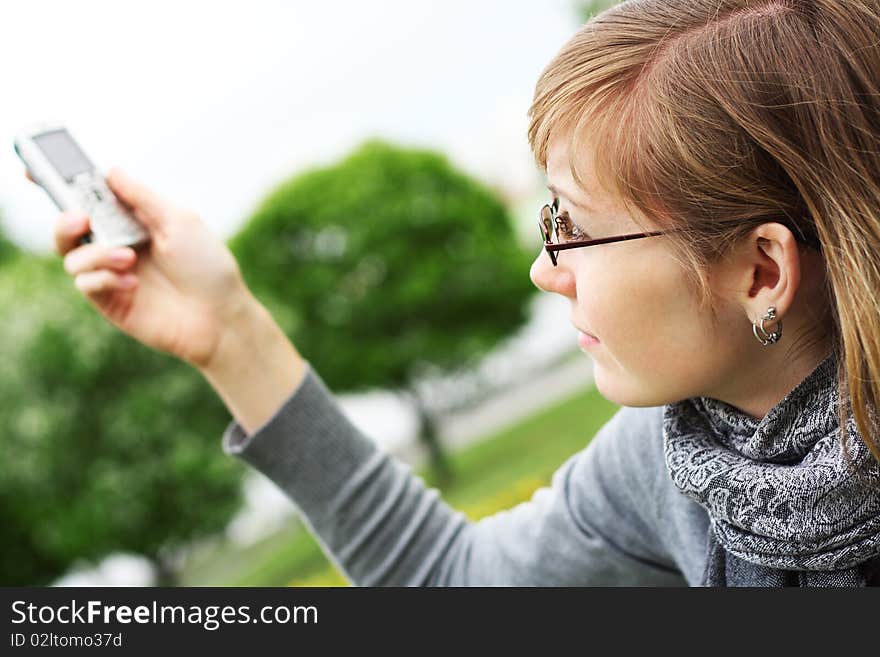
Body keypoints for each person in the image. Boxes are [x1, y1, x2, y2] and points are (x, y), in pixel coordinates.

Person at [40, 0, 880, 586]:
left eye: (578, 229)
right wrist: (228, 332)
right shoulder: (690, 462)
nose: (546, 270)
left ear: (762, 272)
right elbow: (449, 582)